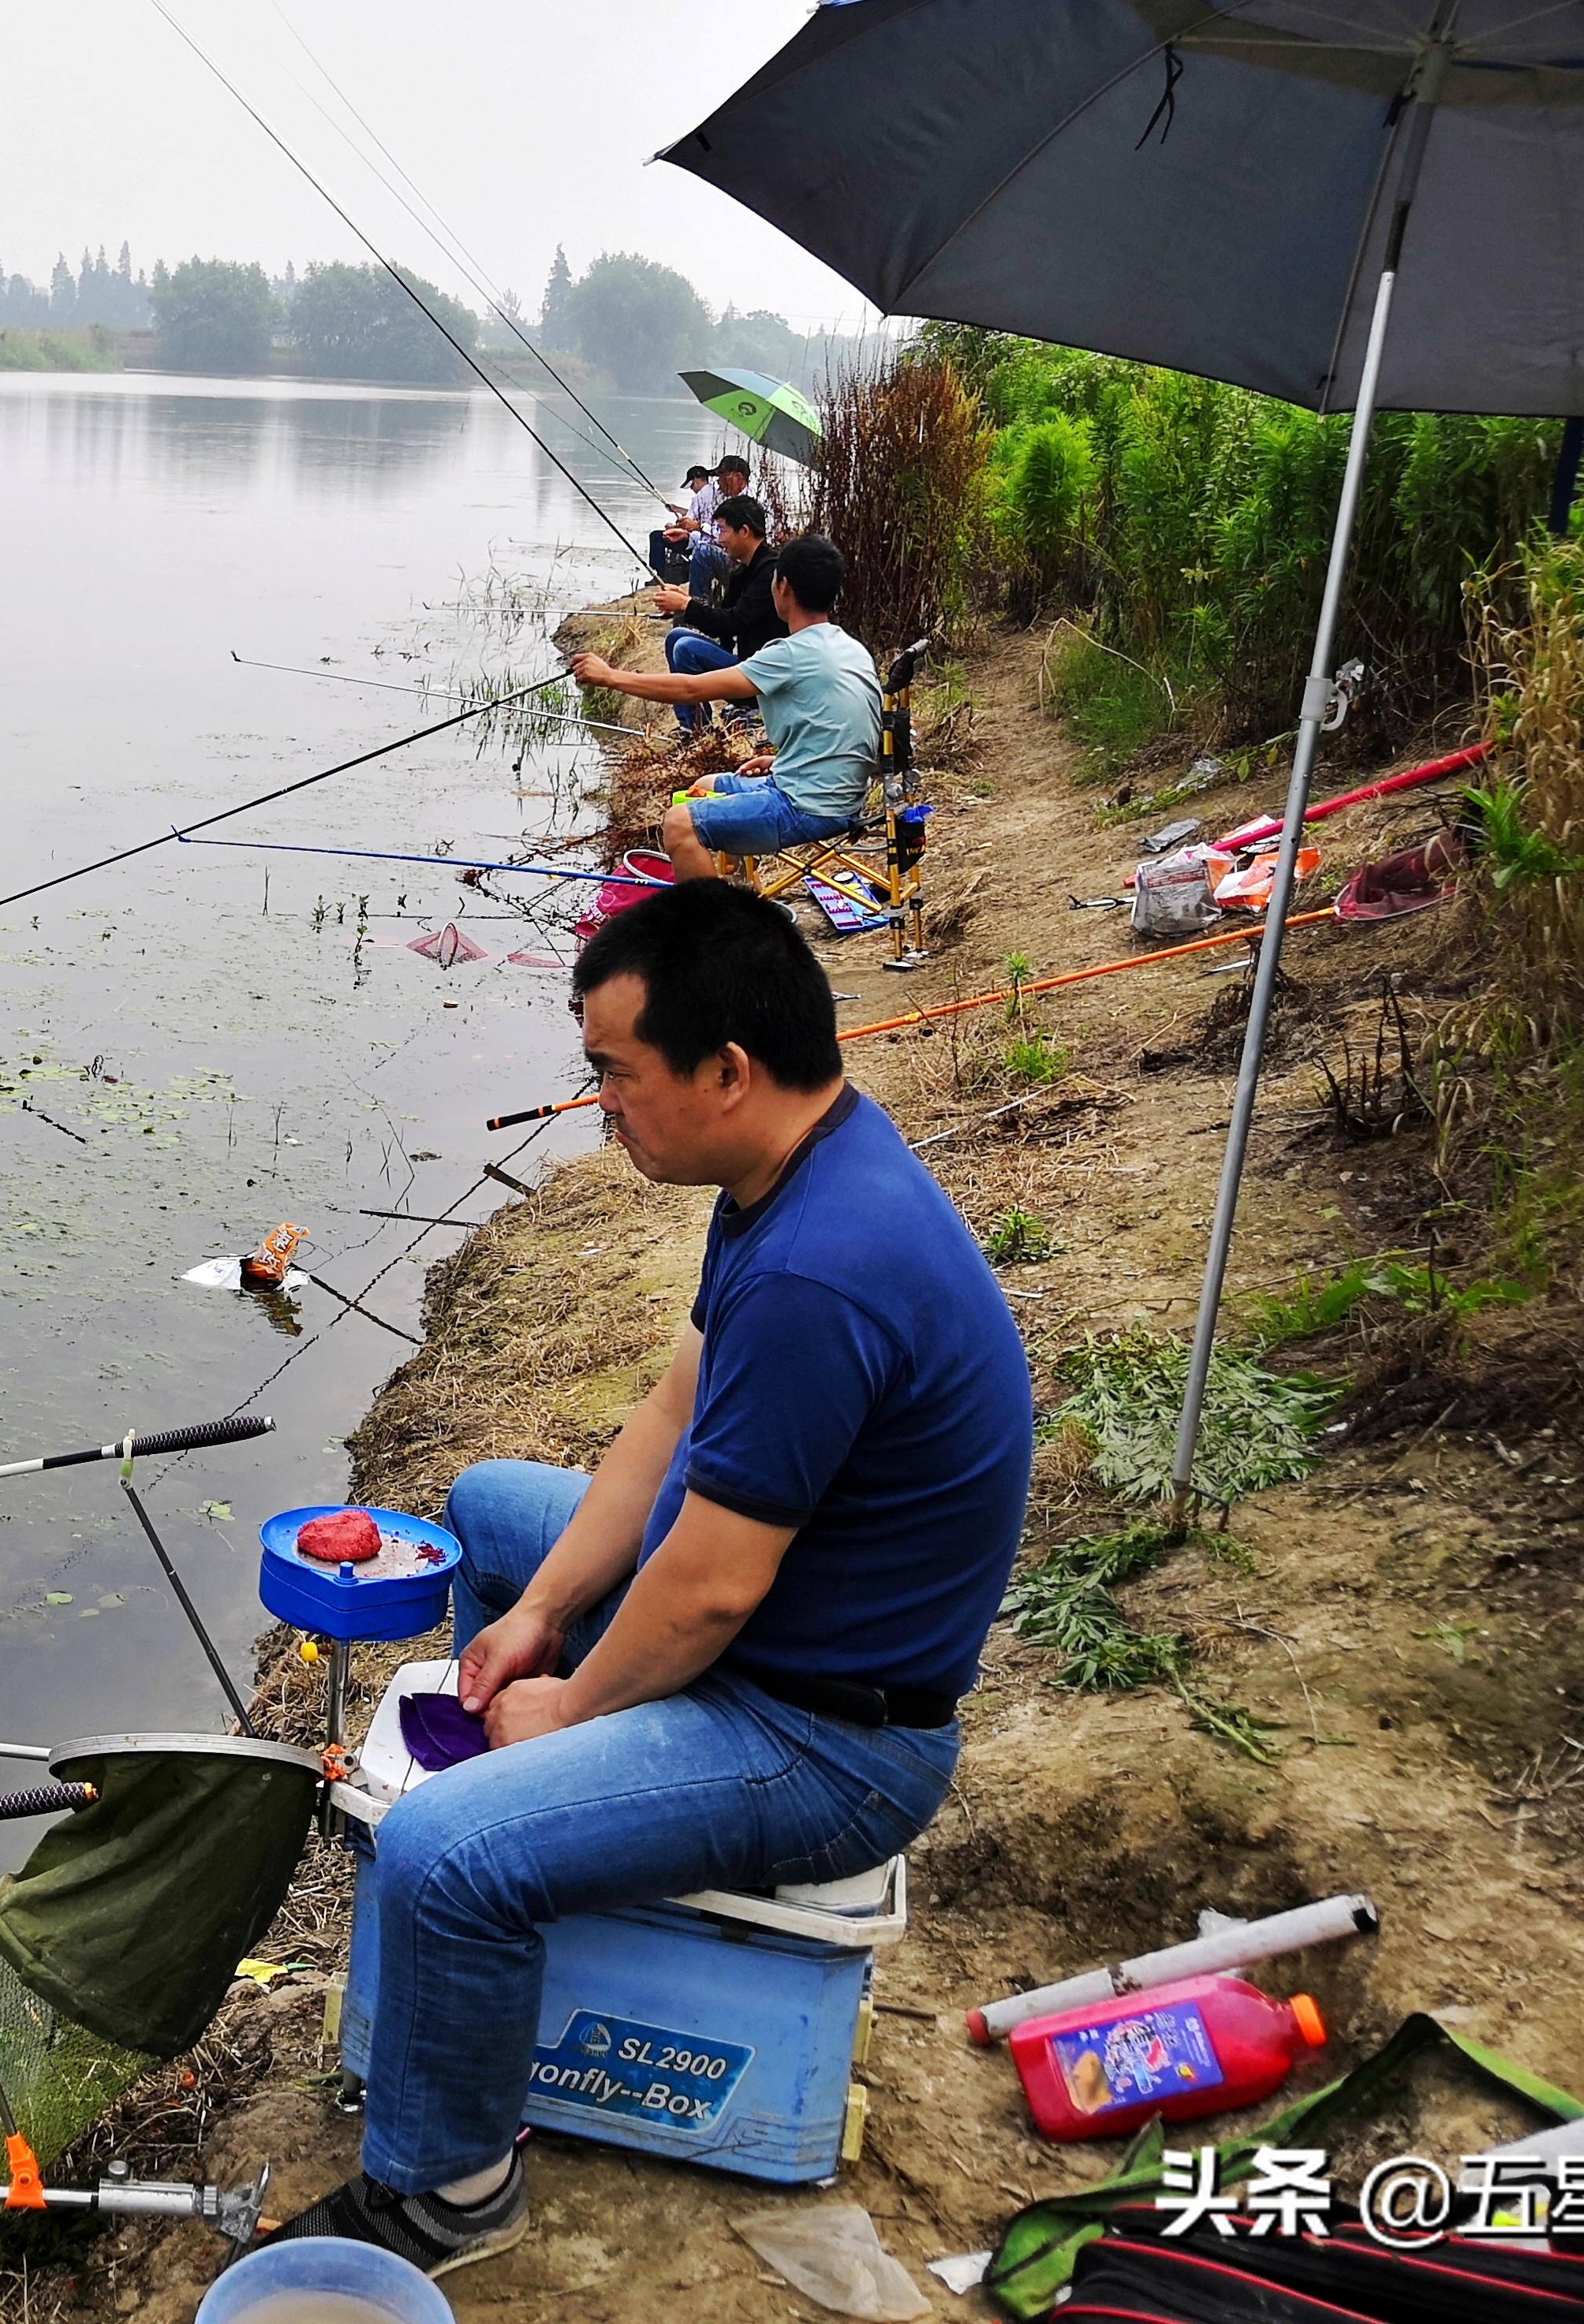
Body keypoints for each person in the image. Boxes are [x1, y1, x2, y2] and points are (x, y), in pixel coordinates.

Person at [266, 880, 1031, 2277]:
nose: (599, 1107)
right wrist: (547, 1614)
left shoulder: (821, 1272)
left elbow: (707, 1598)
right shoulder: (796, 1167)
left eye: (615, 1074)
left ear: (725, 1070)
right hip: (770, 1633)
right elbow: (671, 1417)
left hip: (820, 1736)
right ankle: (549, 1849)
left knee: (440, 1855)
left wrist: (567, 1709)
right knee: (497, 1513)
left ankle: (447, 2189)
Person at [574, 532, 880, 881]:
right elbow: (846, 727)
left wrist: (611, 677)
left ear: (784, 588)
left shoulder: (792, 655)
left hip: (809, 806)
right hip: (839, 794)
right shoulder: (850, 647)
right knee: (706, 787)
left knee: (678, 824)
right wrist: (785, 760)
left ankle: (718, 926)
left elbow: (691, 688)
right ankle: (737, 891)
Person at [648, 494, 774, 729]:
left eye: (723, 531)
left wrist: (687, 606)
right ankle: (691, 725)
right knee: (676, 637)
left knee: (686, 649)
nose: (720, 539)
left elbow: (734, 621)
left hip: (759, 677)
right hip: (742, 664)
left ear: (744, 531)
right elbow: (722, 625)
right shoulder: (741, 572)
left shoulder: (769, 572)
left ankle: (698, 731)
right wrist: (686, 601)